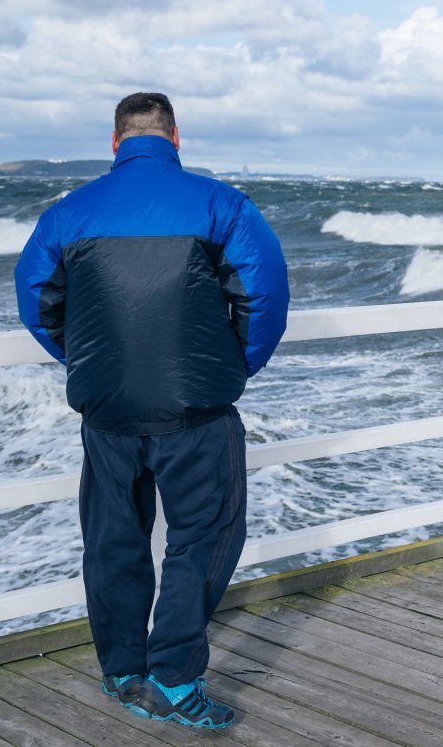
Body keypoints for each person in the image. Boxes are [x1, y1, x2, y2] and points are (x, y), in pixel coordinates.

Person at [14, 93, 289, 729]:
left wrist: (93, 365)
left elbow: (38, 303)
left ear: (116, 142)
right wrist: (231, 369)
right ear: (174, 137)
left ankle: (122, 671)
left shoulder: (68, 212)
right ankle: (174, 680)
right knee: (204, 537)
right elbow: (264, 297)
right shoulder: (222, 204)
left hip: (106, 410)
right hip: (197, 411)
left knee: (113, 539)